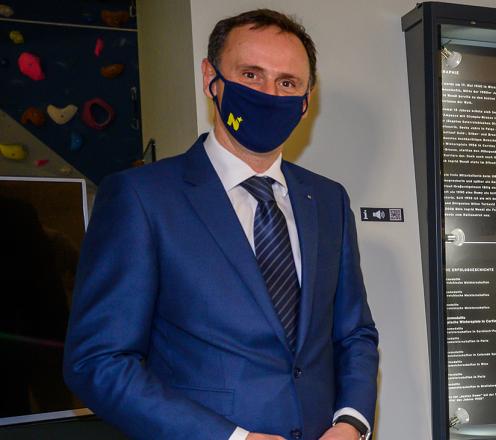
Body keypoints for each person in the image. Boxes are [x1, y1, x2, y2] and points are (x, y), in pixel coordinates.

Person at [62, 10, 378, 440]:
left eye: (287, 83)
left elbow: (354, 332)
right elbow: (98, 361)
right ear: (211, 78)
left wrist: (351, 423)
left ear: (306, 102)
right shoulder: (140, 197)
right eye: (250, 75)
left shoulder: (328, 200)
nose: (269, 94)